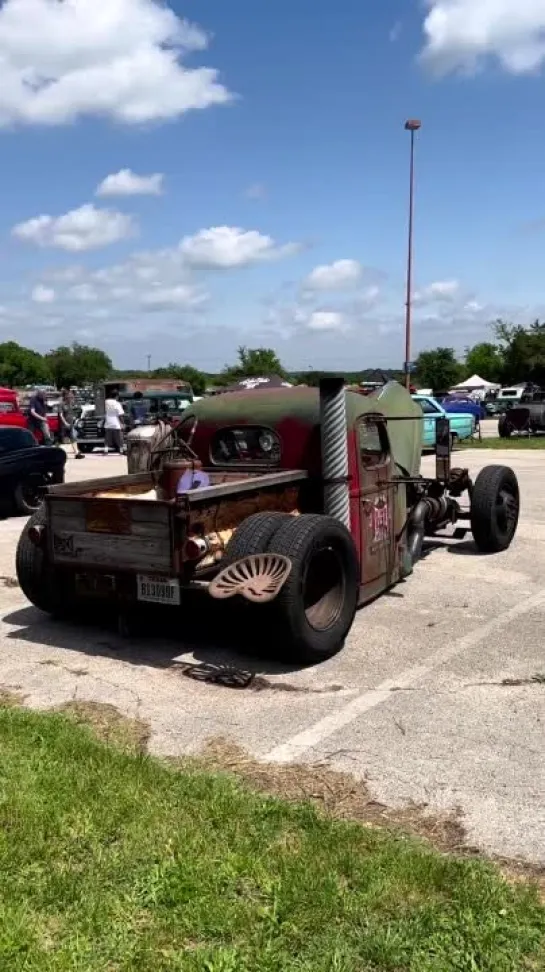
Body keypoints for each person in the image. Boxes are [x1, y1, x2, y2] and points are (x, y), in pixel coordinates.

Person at [59, 389, 84, 459]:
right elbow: (61, 415)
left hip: (70, 424)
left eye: (71, 397)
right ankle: (60, 453)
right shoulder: (61, 404)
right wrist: (65, 423)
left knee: (73, 438)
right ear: (65, 397)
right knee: (63, 440)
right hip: (64, 425)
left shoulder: (70, 404)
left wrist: (74, 418)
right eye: (69, 397)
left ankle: (77, 453)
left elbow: (73, 413)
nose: (71, 398)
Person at [104, 389, 125, 454]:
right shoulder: (117, 403)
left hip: (108, 422)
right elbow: (120, 415)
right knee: (119, 437)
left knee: (107, 437)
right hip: (116, 423)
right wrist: (123, 423)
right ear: (117, 396)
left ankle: (106, 450)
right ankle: (121, 450)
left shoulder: (106, 402)